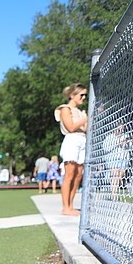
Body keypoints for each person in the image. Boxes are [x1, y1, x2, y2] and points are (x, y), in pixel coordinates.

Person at [55, 83, 88, 216]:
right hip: (72, 140)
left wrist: (87, 120)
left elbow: (85, 129)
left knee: (78, 174)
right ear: (72, 95)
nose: (84, 98)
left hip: (82, 140)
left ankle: (71, 205)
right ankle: (66, 207)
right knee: (69, 173)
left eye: (85, 95)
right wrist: (85, 119)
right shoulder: (65, 109)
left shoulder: (80, 112)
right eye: (81, 95)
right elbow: (71, 127)